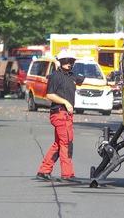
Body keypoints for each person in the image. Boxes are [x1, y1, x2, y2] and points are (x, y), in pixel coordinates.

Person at [36, 50, 83, 182]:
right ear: (60, 62)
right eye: (66, 61)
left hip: (66, 115)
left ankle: (44, 170)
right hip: (60, 114)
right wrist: (66, 102)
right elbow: (50, 95)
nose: (69, 64)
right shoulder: (55, 76)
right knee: (66, 143)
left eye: (71, 61)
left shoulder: (71, 76)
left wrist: (109, 82)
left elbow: (88, 80)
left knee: (58, 144)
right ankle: (67, 174)